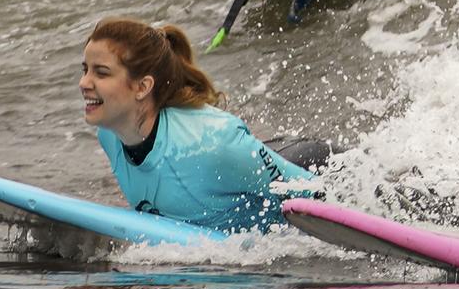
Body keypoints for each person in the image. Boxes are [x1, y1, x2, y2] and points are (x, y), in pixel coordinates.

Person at [80, 17, 331, 232]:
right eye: (85, 70)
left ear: (143, 87)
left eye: (101, 73)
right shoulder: (110, 134)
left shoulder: (212, 144)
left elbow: (318, 194)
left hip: (316, 167)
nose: (84, 83)